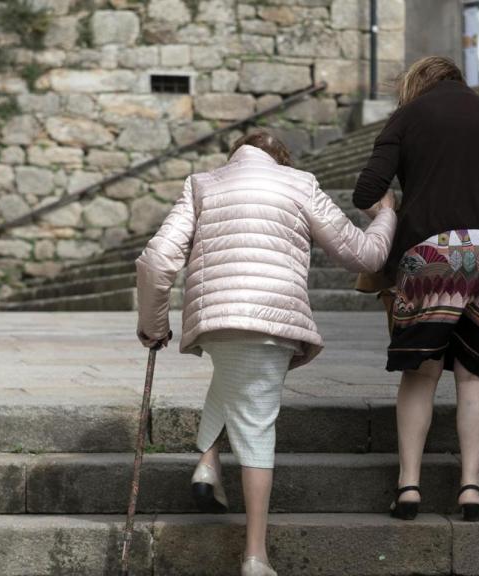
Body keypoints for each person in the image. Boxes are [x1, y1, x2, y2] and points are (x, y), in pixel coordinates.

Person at [136, 132, 396, 576]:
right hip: (272, 317)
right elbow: (363, 255)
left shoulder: (202, 183)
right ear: (281, 159)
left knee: (234, 380)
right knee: (257, 423)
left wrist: (153, 326)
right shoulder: (300, 183)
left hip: (216, 318)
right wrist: (387, 215)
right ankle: (255, 556)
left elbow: (158, 260)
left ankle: (207, 463)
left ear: (235, 155)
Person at [352, 56, 479, 522]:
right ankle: (471, 489)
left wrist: (391, 209)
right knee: (475, 376)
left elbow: (365, 189)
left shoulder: (408, 116)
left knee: (422, 373)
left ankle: (409, 487)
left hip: (433, 253)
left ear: (416, 84)